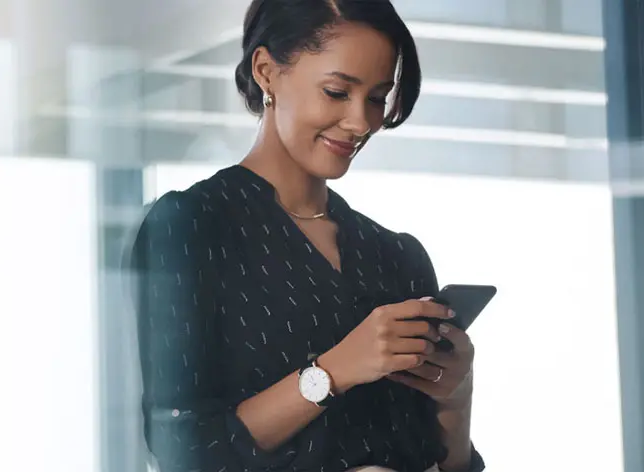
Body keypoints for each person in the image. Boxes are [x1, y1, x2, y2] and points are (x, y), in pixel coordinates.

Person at [129, 0, 484, 470]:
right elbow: (185, 451)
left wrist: (456, 399)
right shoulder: (191, 227)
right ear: (266, 71)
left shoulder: (397, 255)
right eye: (338, 91)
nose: (362, 122)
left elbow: (448, 462)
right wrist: (332, 372)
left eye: (377, 98)